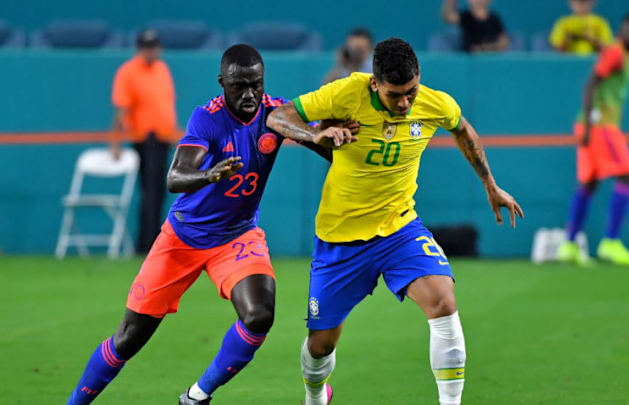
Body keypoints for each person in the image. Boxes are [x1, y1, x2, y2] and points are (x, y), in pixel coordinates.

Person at [66, 44, 349, 405]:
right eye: (239, 86)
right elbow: (175, 176)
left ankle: (197, 396)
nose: (249, 94)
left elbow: (322, 145)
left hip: (237, 236)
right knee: (129, 338)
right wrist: (208, 174)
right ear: (222, 83)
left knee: (259, 315)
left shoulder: (276, 113)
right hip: (183, 238)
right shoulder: (207, 117)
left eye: (256, 85)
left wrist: (331, 136)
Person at [267, 37, 523, 405]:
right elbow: (279, 116)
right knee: (320, 345)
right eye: (395, 95)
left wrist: (491, 185)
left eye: (411, 92)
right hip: (341, 238)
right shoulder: (346, 93)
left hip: (399, 229)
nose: (405, 103)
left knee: (443, 303)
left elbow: (464, 131)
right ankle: (316, 394)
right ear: (374, 84)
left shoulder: (435, 103)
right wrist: (315, 133)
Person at [558, 15, 629, 266]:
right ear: (621, 31)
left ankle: (570, 244)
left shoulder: (620, 53)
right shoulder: (617, 53)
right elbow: (590, 84)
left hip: (591, 125)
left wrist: (585, 38)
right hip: (599, 125)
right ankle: (611, 242)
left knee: (588, 183)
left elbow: (601, 49)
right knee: (627, 175)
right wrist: (589, 120)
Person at [111, 29, 178, 254]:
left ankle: (156, 241)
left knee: (159, 192)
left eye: (154, 46)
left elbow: (165, 105)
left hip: (164, 139)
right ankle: (146, 244)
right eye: (147, 47)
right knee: (150, 192)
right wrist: (116, 141)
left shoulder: (162, 69)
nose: (151, 51)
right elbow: (121, 109)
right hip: (145, 139)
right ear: (139, 48)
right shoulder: (128, 72)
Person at [441, 0, 509, 52]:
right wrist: (450, 2)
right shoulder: (465, 16)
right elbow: (448, 17)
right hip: (470, 61)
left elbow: (504, 41)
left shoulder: (495, 18)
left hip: (491, 58)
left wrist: (487, 48)